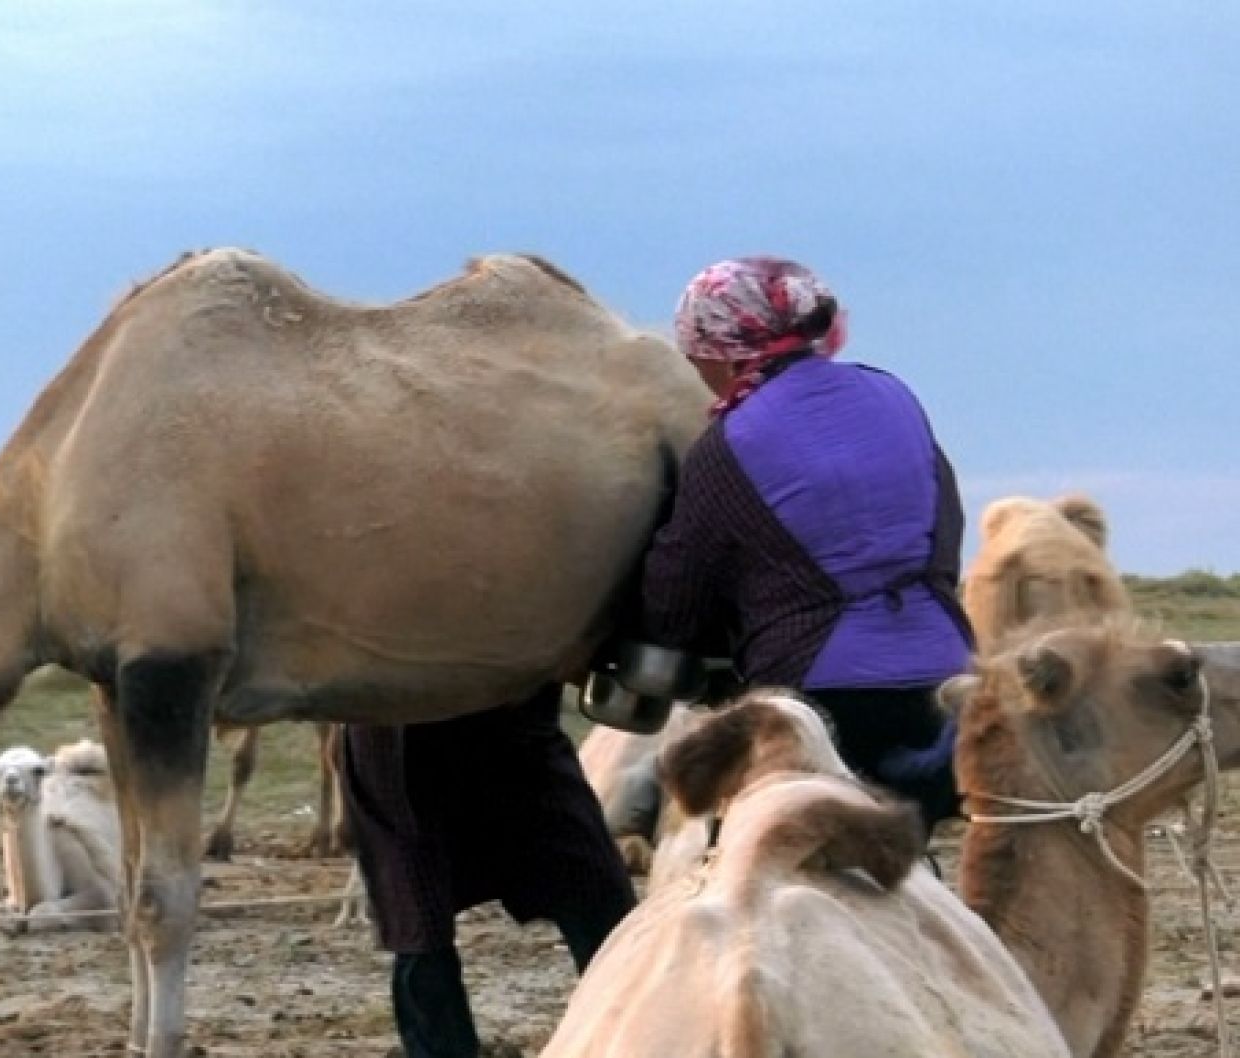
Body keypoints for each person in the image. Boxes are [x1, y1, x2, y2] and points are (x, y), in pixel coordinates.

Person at [639, 255, 972, 834]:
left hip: (824, 698)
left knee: (758, 855)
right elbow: (944, 525)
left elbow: (676, 599)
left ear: (724, 350)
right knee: (904, 861)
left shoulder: (730, 446)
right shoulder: (892, 395)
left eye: (697, 356)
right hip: (942, 679)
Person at [340, 686, 638, 1058]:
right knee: (419, 923)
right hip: (400, 732)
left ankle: (636, 1042)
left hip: (517, 719)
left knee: (598, 896)